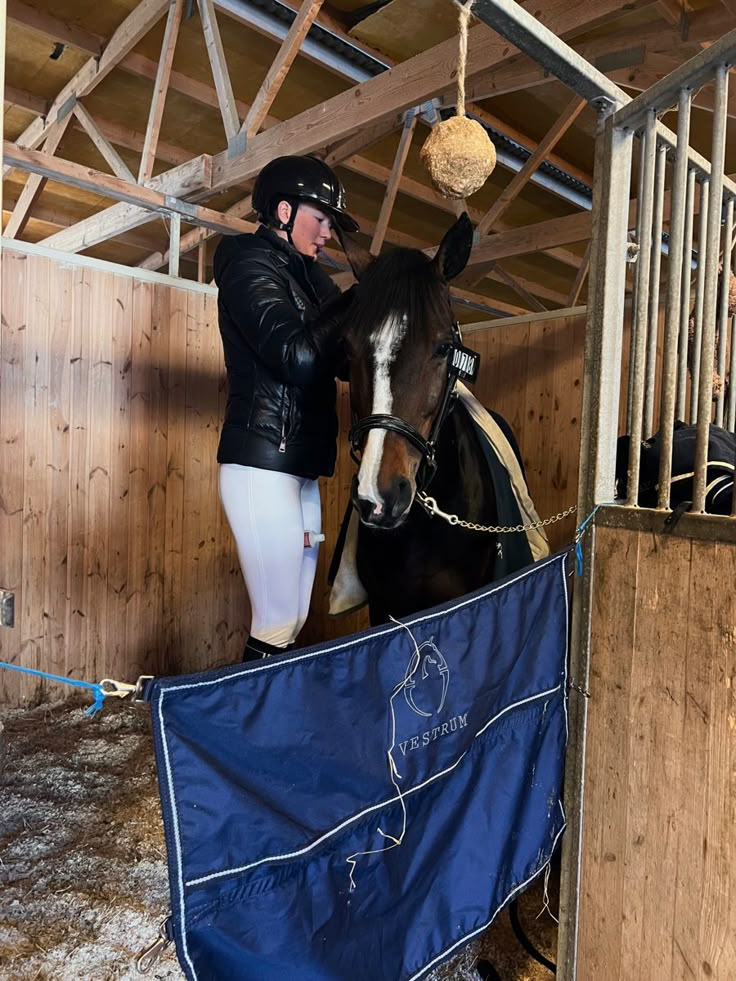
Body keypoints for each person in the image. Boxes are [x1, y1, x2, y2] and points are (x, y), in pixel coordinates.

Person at [213, 154, 358, 661]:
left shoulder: (308, 276)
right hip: (261, 463)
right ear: (282, 211)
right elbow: (293, 356)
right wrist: (353, 302)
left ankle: (269, 723)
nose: (327, 236)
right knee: (275, 619)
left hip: (302, 466)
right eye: (321, 221)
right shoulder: (243, 260)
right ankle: (246, 725)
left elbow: (342, 361)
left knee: (294, 617)